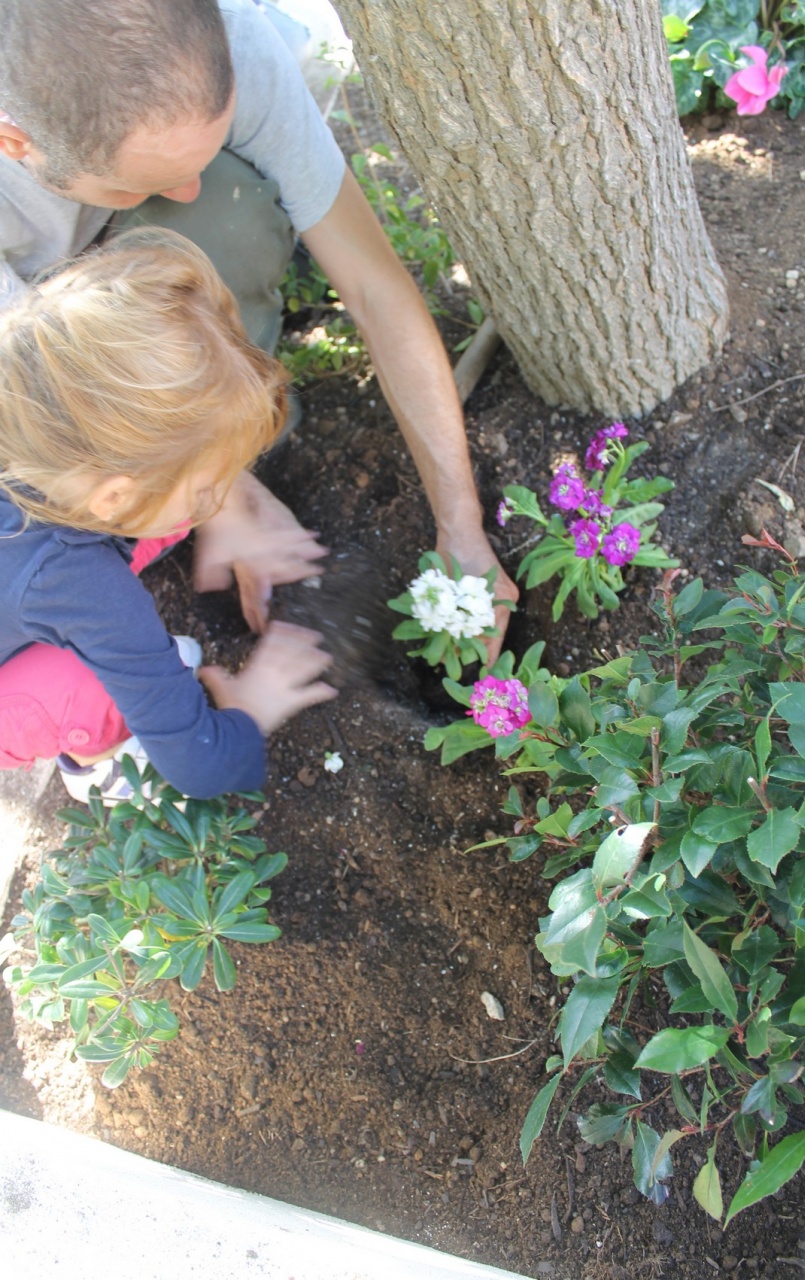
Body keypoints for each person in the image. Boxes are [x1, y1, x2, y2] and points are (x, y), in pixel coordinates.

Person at [0, 0, 518, 650]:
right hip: (24, 304)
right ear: (15, 141)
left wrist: (461, 524)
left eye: (204, 151)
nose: (186, 191)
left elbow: (373, 286)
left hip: (118, 246)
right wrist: (217, 494)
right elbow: (50, 394)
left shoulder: (232, 44)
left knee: (228, 209)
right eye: (151, 181)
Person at [0, 228, 338, 802]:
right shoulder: (81, 587)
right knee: (90, 692)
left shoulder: (38, 423)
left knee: (171, 510)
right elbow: (205, 768)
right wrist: (251, 707)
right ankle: (98, 763)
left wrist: (219, 509)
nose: (224, 495)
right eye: (212, 487)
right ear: (112, 499)